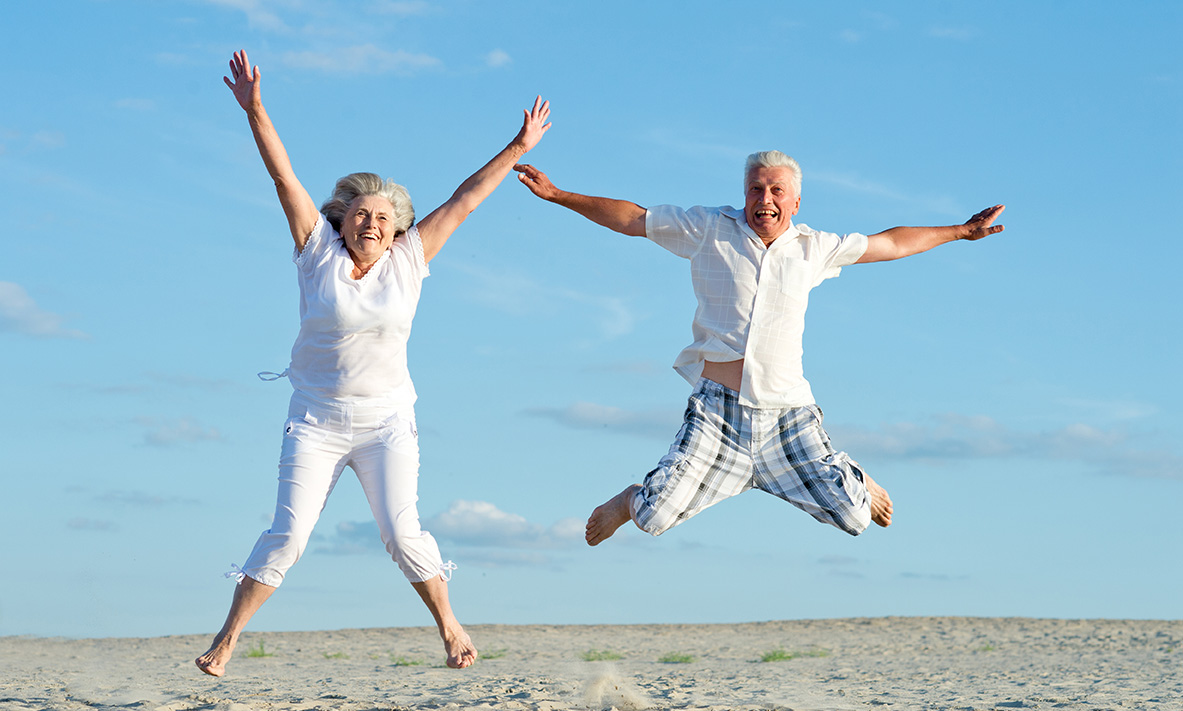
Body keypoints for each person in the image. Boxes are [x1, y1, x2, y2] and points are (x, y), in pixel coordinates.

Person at [196, 50, 550, 676]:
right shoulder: (316, 253)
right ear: (342, 219)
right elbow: (285, 181)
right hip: (316, 418)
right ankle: (226, 640)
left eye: (383, 217)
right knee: (289, 534)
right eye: (360, 213)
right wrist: (256, 111)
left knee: (403, 533)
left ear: (397, 227)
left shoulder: (411, 260)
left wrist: (518, 146)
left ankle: (448, 626)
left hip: (387, 420)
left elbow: (465, 200)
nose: (371, 223)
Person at [513, 152, 1003, 547]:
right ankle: (627, 500)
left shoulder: (816, 247)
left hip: (788, 417)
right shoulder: (709, 229)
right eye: (755, 189)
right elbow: (632, 219)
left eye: (776, 191)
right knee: (651, 516)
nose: (763, 199)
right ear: (743, 195)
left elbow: (891, 244)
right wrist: (558, 195)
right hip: (719, 416)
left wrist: (960, 231)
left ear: (794, 202)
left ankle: (851, 475)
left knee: (856, 518)